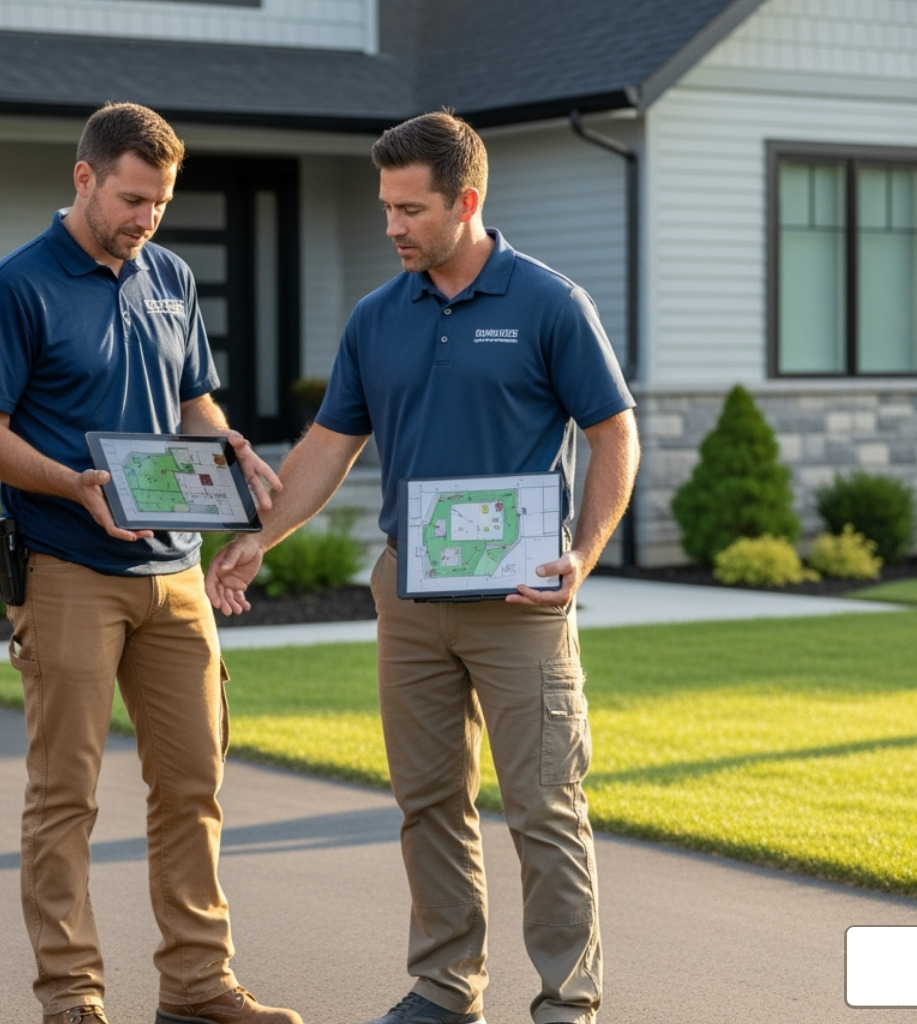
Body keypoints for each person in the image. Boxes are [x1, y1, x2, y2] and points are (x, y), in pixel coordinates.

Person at [206, 111, 640, 1024]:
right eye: (386, 208)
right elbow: (330, 445)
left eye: (411, 209)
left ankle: (568, 1000)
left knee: (544, 808)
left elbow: (614, 433)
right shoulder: (377, 317)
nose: (393, 226)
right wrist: (259, 536)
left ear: (467, 202)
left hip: (520, 603)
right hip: (410, 593)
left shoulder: (549, 303)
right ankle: (445, 987)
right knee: (429, 802)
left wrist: (584, 556)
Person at [0, 101, 300, 1024]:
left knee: (194, 784)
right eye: (133, 198)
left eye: (160, 202)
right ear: (85, 178)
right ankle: (71, 996)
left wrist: (234, 451)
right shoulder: (13, 288)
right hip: (67, 567)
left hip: (175, 572)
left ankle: (196, 986)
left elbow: (194, 403)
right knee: (65, 792)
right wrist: (73, 483)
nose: (146, 218)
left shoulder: (171, 277)